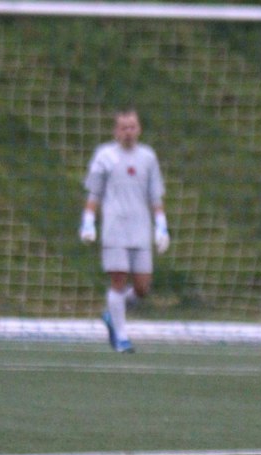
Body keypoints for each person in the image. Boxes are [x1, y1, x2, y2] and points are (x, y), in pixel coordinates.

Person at [79, 110, 168, 354]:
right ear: (115, 131)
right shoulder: (104, 156)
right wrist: (88, 221)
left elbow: (155, 195)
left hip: (140, 229)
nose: (128, 132)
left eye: (132, 127)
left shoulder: (148, 157)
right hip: (114, 228)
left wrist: (161, 226)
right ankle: (121, 336)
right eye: (123, 128)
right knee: (118, 280)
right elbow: (94, 193)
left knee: (142, 288)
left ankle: (112, 313)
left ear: (138, 129)